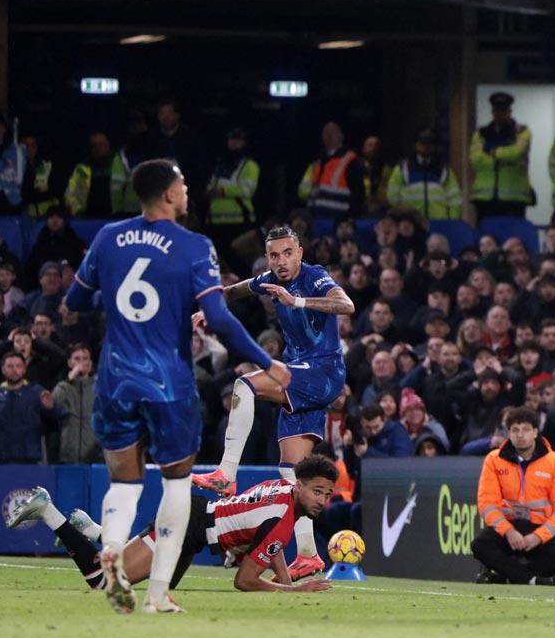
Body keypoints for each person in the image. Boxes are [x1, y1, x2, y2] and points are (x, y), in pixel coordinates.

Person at [64, 158, 289, 614]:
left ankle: (112, 550)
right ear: (169, 194)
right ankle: (155, 594)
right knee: (176, 486)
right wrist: (268, 361)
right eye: (183, 182)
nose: (188, 189)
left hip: (116, 378)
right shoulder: (192, 246)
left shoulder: (108, 238)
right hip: (168, 383)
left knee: (124, 484)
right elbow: (221, 319)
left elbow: (74, 302)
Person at [191, 224, 354, 581]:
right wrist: (211, 309)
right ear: (267, 257)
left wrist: (295, 300)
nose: (281, 261)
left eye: (288, 253)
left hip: (321, 371)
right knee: (293, 477)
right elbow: (234, 291)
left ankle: (226, 475)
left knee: (245, 385)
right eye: (274, 255)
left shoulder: (315, 277)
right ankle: (309, 555)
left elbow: (346, 305)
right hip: (304, 378)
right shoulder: (268, 278)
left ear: (300, 253)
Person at [4, 454, 338, 599]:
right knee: (103, 583)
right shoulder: (282, 518)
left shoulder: (280, 490)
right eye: (317, 491)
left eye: (327, 494)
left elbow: (270, 544)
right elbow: (245, 581)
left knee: (165, 585)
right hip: (185, 523)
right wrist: (292, 589)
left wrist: (282, 577)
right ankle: (48, 511)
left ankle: (91, 531)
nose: (322, 500)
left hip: (195, 524)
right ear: (299, 486)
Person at [471, 406, 555, 584]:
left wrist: (538, 536)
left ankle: (508, 575)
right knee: (479, 545)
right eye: (515, 430)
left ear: (535, 432)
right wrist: (509, 531)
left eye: (526, 429)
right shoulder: (494, 460)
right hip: (507, 526)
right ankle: (531, 579)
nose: (520, 435)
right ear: (508, 433)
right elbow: (487, 504)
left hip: (538, 527)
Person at [0, 351, 62, 463]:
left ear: (24, 369)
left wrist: (51, 408)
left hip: (29, 459)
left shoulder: (37, 392)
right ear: (3, 370)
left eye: (18, 366)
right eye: (10, 366)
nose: (14, 370)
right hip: (0, 459)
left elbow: (56, 422)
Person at [470, 92, 532, 217]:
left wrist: (493, 152)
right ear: (492, 111)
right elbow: (476, 159)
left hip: (514, 198)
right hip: (484, 198)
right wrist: (503, 156)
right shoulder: (481, 133)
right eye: (497, 110)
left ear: (510, 111)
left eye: (504, 110)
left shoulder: (522, 131)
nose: (500, 114)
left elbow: (516, 153)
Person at [206, 126, 260, 257]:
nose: (234, 143)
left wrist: (223, 192)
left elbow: (248, 190)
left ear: (245, 142)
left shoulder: (250, 165)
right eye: (231, 139)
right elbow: (212, 186)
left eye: (238, 140)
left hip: (239, 222)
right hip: (216, 222)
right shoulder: (221, 165)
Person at [387, 127, 462, 220]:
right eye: (422, 143)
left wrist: (451, 223)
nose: (425, 146)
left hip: (439, 224)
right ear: (416, 144)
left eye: (429, 143)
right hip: (411, 224)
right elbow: (392, 199)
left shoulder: (444, 169)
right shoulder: (403, 168)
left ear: (434, 146)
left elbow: (455, 200)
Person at [297, 121, 366, 218]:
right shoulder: (317, 161)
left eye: (332, 132)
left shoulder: (350, 160)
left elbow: (358, 194)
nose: (329, 136)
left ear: (341, 136)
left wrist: (348, 218)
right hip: (315, 217)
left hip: (337, 219)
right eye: (325, 133)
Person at [64, 132, 136, 218]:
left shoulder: (122, 164)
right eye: (93, 145)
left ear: (108, 145)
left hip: (118, 216)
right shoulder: (82, 168)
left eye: (101, 144)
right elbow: (72, 194)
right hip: (89, 217)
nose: (97, 148)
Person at [52, 343, 100, 464]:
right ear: (69, 363)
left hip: (95, 455)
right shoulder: (63, 387)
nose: (81, 362)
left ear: (91, 363)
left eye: (85, 358)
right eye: (77, 359)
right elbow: (53, 408)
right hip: (68, 455)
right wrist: (70, 379)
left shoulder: (100, 387)